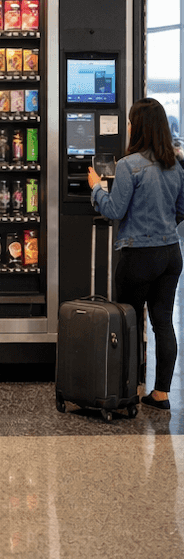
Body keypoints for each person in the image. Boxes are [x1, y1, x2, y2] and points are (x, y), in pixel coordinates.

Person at [88, 97, 184, 411]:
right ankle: (161, 394)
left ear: (138, 127)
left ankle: (129, 391)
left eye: (130, 123)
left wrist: (96, 189)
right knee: (163, 323)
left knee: (130, 324)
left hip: (138, 256)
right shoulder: (175, 164)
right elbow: (181, 210)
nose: (127, 127)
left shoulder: (129, 165)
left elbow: (114, 211)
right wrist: (162, 224)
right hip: (170, 254)